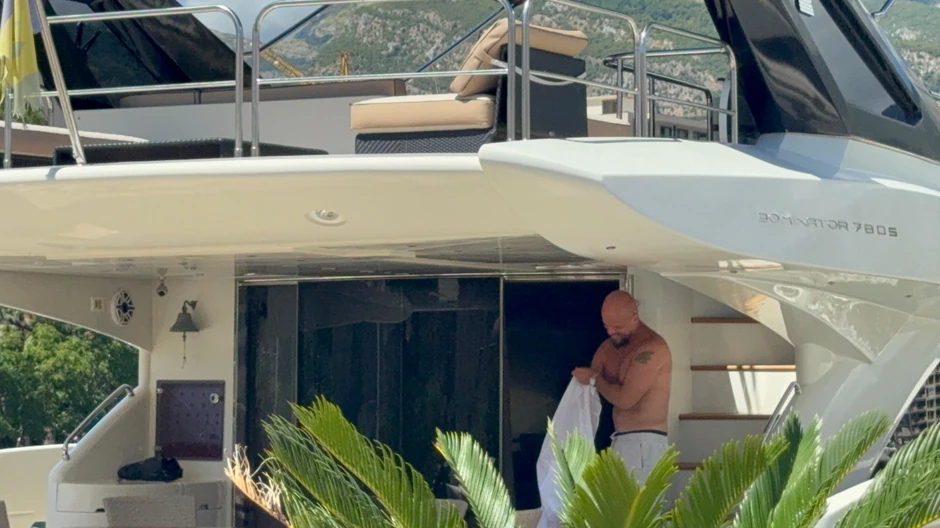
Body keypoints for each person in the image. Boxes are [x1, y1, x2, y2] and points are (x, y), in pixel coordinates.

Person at [572, 290, 672, 484]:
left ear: (634, 317)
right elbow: (591, 380)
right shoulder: (609, 347)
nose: (611, 332)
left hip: (646, 441)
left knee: (640, 503)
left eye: (617, 327)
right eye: (606, 326)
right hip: (620, 438)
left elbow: (625, 400)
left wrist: (594, 378)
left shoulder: (652, 348)